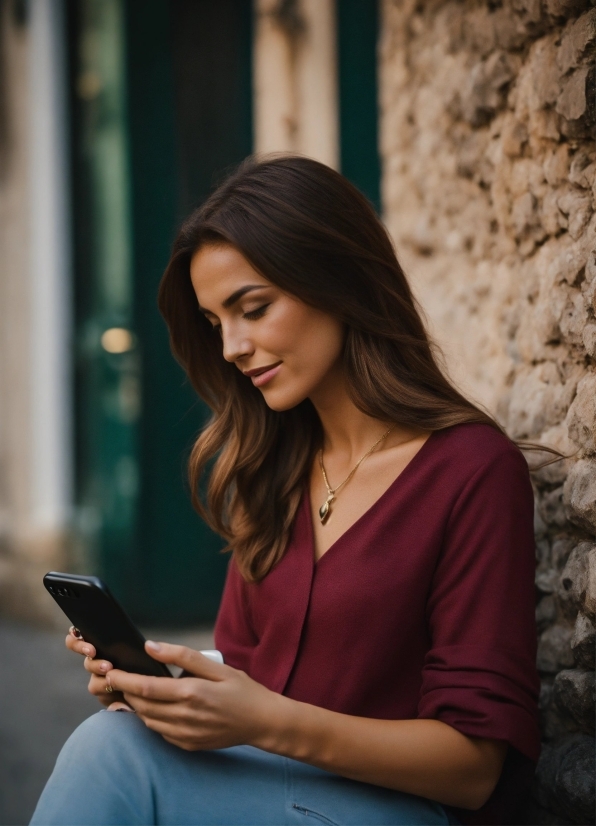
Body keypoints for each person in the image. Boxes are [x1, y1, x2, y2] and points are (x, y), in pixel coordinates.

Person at [32, 156, 545, 826]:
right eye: (217, 324)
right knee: (119, 739)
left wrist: (267, 721)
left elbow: (476, 770)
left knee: (111, 756)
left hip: (399, 811)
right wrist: (168, 700)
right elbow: (249, 685)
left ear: (340, 281)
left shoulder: (472, 472)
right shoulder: (272, 470)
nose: (232, 349)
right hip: (268, 788)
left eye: (254, 309)